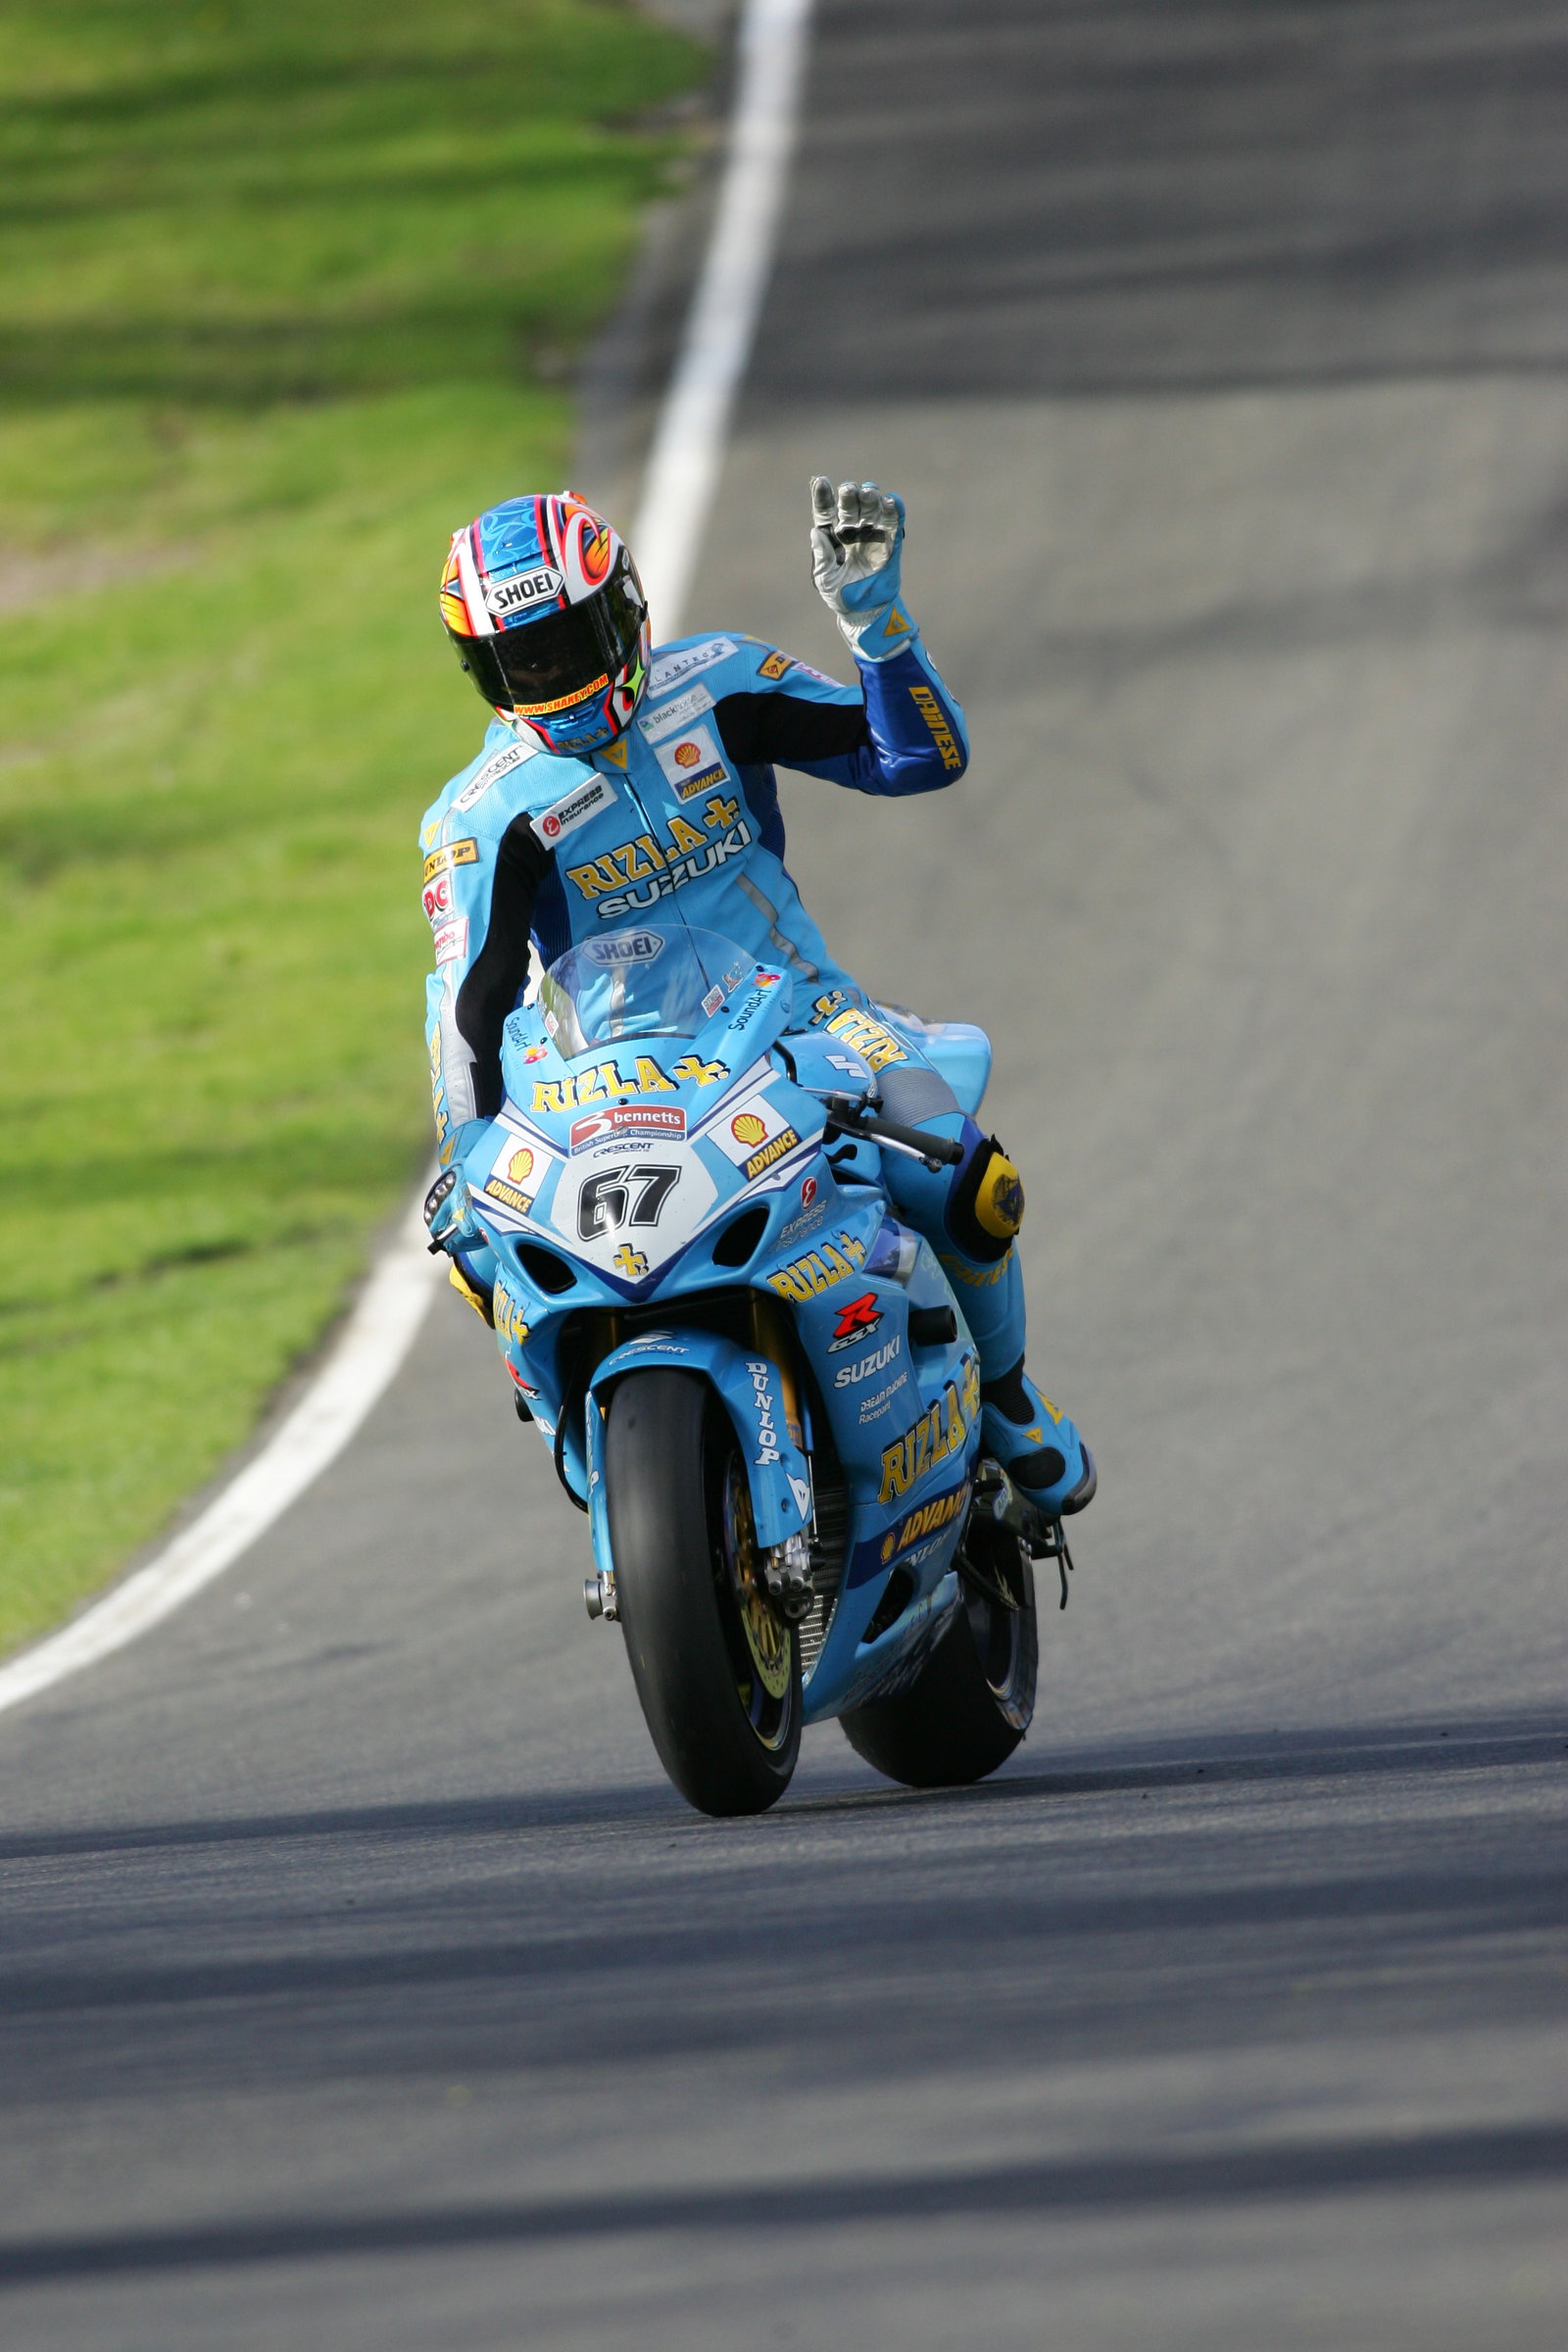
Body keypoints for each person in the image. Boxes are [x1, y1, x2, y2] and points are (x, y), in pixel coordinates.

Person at [419, 478, 1094, 1520]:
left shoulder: (719, 682)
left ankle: (1004, 1400)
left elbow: (916, 762)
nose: (554, 675)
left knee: (964, 1174)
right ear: (486, 673)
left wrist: (875, 623)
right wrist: (465, 1155)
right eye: (525, 661)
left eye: (570, 640)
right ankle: (591, 1443)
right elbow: (468, 1008)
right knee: (476, 1244)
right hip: (608, 1077)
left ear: (625, 610)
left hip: (804, 1018)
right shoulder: (480, 814)